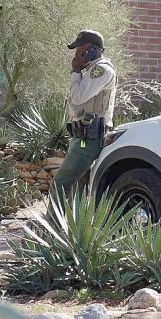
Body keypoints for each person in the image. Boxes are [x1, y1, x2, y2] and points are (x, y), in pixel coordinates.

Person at [51, 29, 117, 199]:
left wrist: (75, 71)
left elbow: (78, 97)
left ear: (94, 49)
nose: (77, 53)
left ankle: (53, 217)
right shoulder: (89, 71)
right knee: (77, 189)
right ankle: (73, 218)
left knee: (60, 183)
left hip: (89, 138)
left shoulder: (101, 70)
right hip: (82, 136)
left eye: (82, 48)